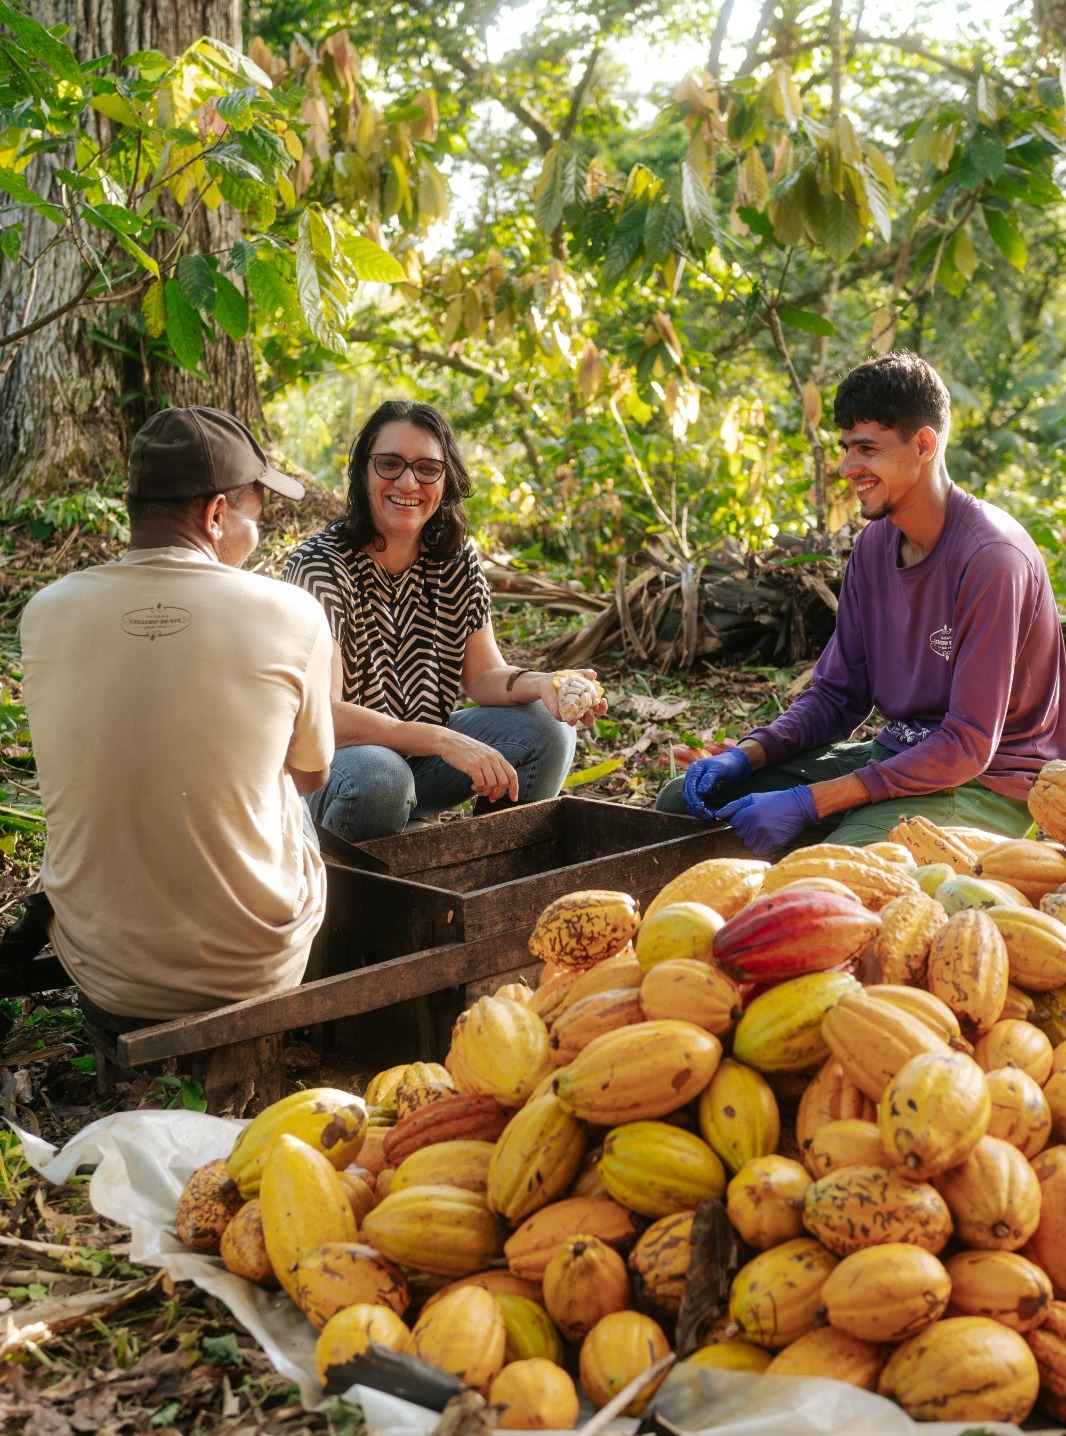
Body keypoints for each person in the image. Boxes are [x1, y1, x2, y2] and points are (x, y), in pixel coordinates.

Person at [656, 350, 1066, 857]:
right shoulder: (875, 544)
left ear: (923, 444)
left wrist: (811, 801)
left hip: (987, 785)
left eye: (867, 449)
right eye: (846, 447)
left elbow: (967, 747)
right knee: (681, 805)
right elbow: (836, 696)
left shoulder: (992, 559)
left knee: (833, 875)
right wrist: (747, 756)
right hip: (897, 754)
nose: (849, 467)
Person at [17, 406, 335, 1025]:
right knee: (288, 800)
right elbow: (312, 777)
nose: (257, 534)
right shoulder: (291, 612)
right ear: (216, 515)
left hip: (104, 972)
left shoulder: (46, 611)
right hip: (252, 969)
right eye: (255, 515)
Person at [283, 399, 605, 844]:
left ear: (446, 478)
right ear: (363, 473)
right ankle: (351, 879)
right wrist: (441, 740)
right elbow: (325, 716)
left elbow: (484, 676)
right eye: (390, 464)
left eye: (427, 468)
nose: (408, 482)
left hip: (422, 763)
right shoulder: (321, 565)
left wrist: (545, 683)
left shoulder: (454, 559)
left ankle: (489, 876)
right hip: (344, 768)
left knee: (548, 731)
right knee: (383, 777)